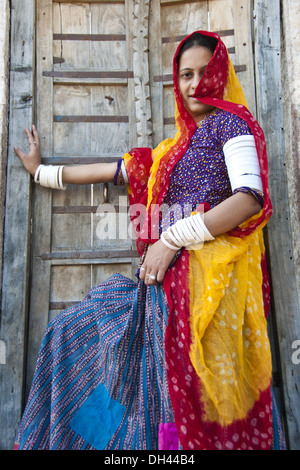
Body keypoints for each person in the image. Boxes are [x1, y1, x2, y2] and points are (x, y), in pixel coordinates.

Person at [14, 31, 285, 450]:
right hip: (160, 287)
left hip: (207, 294)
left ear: (222, 75)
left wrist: (172, 238)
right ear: (176, 82)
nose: (196, 84)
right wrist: (40, 172)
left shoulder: (232, 125)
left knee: (178, 396)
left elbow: (250, 200)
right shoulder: (169, 152)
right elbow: (112, 171)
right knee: (81, 340)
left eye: (205, 72)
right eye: (186, 74)